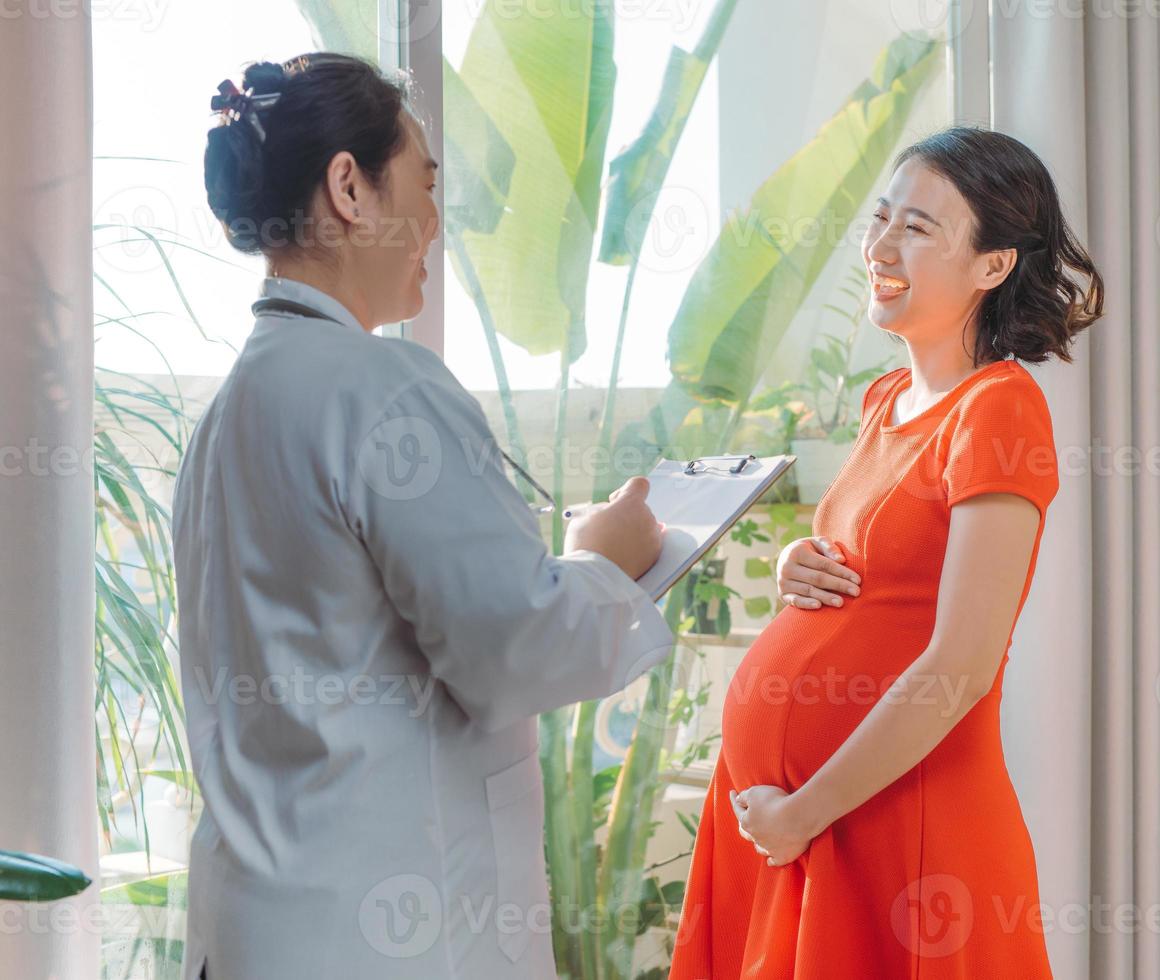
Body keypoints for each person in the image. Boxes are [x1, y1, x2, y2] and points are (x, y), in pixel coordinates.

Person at [175, 53, 672, 979]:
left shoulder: (228, 411)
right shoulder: (383, 391)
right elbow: (515, 645)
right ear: (348, 188)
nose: (436, 225)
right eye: (425, 183)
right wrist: (607, 560)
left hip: (254, 930)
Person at [668, 127, 1103, 978]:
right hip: (803, 823)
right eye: (881, 218)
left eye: (918, 227)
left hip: (891, 823)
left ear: (991, 265)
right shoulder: (885, 400)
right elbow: (886, 578)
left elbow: (961, 664)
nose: (879, 245)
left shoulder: (998, 410)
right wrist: (805, 565)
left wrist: (804, 812)